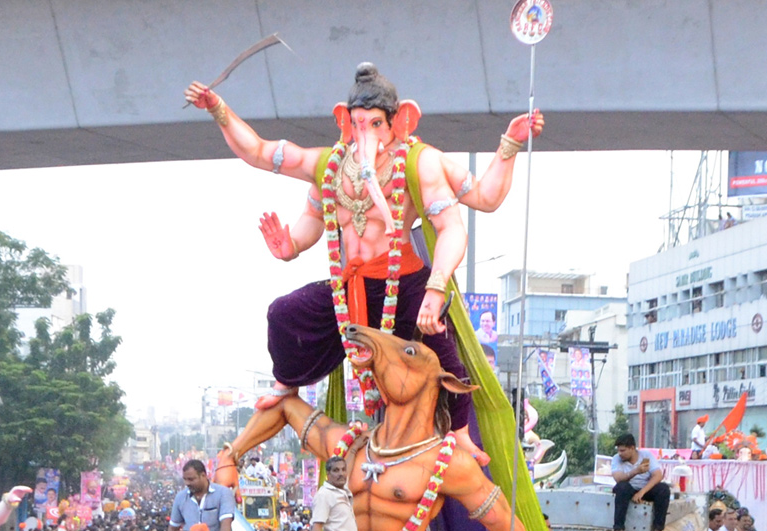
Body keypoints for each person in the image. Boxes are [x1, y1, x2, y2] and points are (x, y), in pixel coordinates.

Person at [184, 65, 543, 466]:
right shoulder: (328, 165)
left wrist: (436, 288)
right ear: (344, 120)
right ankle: (287, 385)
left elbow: (464, 220)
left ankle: (458, 433)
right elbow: (261, 155)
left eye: (376, 123)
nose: (367, 133)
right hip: (347, 290)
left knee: (444, 355)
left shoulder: (418, 163)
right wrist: (218, 109)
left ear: (399, 119)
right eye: (358, 124)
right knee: (284, 314)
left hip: (403, 282)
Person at [610, 434, 671, 531]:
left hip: (645, 489)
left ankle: (658, 529)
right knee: (621, 487)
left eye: (623, 451)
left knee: (663, 489)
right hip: (629, 488)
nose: (620, 454)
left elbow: (657, 475)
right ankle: (619, 529)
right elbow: (618, 478)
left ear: (632, 448)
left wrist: (642, 492)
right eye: (619, 451)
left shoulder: (646, 456)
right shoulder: (616, 459)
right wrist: (635, 471)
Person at [168, 459, 236, 531]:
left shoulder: (223, 493)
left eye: (191, 479)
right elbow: (173, 528)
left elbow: (226, 522)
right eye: (185, 479)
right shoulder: (180, 497)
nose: (187, 483)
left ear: (203, 475)